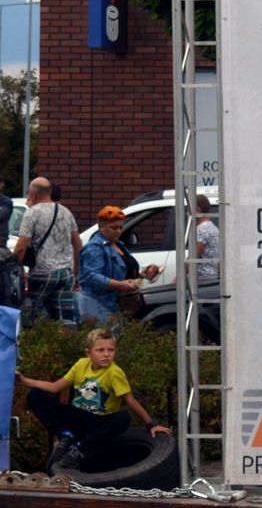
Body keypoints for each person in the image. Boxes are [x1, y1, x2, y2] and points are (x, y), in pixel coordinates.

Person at [15, 326, 170, 468]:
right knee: (35, 395)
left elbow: (130, 400)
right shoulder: (81, 365)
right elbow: (55, 387)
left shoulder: (114, 373)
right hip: (78, 417)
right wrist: (25, 381)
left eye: (111, 350)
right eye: (100, 350)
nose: (106, 354)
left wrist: (151, 424)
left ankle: (79, 448)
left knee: (124, 418)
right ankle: (65, 435)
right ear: (88, 353)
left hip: (98, 422)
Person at [10, 177, 82, 325]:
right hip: (65, 273)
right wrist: (76, 271)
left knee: (35, 314)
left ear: (33, 194)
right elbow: (77, 243)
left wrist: (14, 267)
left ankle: (40, 336)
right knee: (65, 318)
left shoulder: (32, 213)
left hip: (42, 273)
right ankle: (66, 337)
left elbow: (21, 246)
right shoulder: (66, 212)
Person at [78, 206, 160, 323]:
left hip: (114, 305)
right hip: (98, 304)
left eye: (120, 227)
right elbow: (90, 276)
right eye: (114, 228)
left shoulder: (118, 244)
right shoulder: (95, 248)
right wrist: (120, 285)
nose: (118, 231)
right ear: (101, 226)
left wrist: (143, 274)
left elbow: (121, 270)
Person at [195, 194, 220, 283]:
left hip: (201, 279)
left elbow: (194, 256)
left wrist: (176, 279)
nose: (187, 214)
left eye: (189, 210)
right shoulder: (213, 228)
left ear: (198, 210)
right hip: (212, 277)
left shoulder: (201, 229)